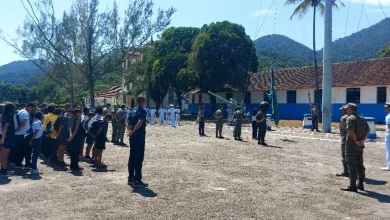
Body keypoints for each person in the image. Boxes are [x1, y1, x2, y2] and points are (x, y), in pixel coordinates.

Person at [341, 103, 369, 192]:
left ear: (351, 109)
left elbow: (350, 131)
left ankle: (352, 186)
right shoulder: (362, 118)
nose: (346, 110)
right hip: (360, 144)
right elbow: (368, 130)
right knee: (359, 163)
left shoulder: (350, 118)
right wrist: (362, 140)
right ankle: (360, 183)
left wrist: (356, 141)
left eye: (348, 109)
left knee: (351, 163)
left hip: (351, 144)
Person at [127, 96, 148, 188]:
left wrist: (129, 131)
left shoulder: (132, 110)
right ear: (142, 102)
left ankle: (130, 178)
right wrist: (133, 131)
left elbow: (127, 121)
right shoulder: (142, 111)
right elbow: (140, 122)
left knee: (132, 156)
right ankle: (137, 180)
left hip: (132, 137)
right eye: (145, 101)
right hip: (139, 137)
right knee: (139, 158)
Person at [13, 103, 36, 168]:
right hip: (25, 133)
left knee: (20, 149)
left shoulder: (19, 111)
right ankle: (27, 163)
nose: (32, 110)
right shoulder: (25, 113)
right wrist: (18, 128)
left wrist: (16, 130)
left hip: (18, 134)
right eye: (32, 108)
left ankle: (18, 163)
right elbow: (24, 124)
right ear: (29, 107)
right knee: (27, 149)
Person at [0, 103, 16, 177]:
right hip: (8, 137)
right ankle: (4, 171)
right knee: (6, 155)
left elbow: (3, 127)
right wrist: (3, 137)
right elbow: (6, 127)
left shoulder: (4, 116)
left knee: (3, 153)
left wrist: (3, 136)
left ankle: (2, 169)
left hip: (6, 136)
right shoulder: (9, 116)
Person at [336, 105, 349, 177]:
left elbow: (346, 129)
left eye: (343, 110)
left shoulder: (344, 118)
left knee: (344, 155)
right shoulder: (354, 117)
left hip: (345, 139)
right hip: (352, 139)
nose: (342, 111)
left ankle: (346, 171)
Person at [382, 102, 390, 171]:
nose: (385, 108)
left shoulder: (388, 116)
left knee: (388, 150)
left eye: (387, 107)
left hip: (389, 134)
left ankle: (389, 166)